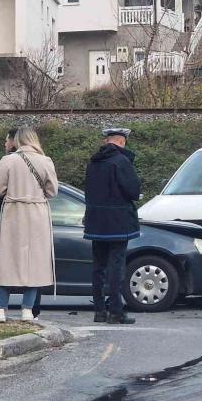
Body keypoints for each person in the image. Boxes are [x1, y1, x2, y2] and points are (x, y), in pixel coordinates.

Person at [0, 127, 57, 323]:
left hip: (13, 212)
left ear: (18, 140)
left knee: (7, 260)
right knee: (35, 262)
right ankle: (27, 310)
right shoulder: (45, 161)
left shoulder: (8, 160)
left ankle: (0, 309)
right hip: (37, 213)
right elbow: (52, 191)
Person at [83, 128, 141, 325]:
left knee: (98, 267)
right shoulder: (121, 162)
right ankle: (116, 311)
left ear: (106, 140)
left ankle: (99, 310)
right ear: (122, 142)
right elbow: (133, 190)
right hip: (117, 222)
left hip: (95, 221)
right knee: (116, 267)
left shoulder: (93, 162)